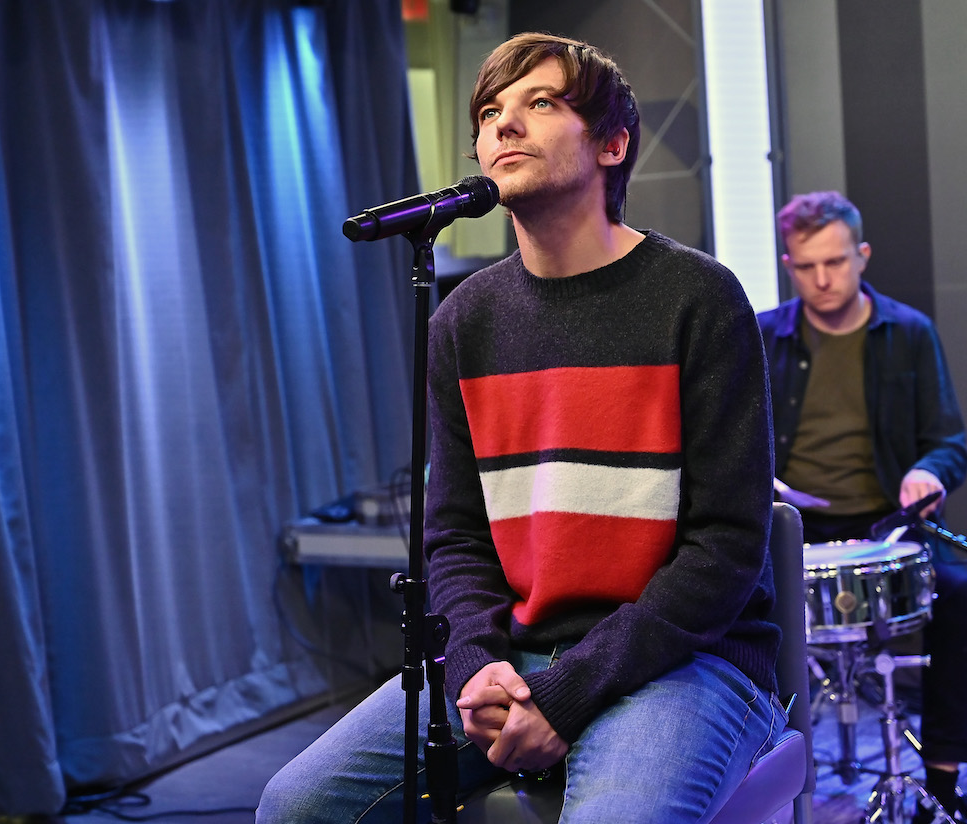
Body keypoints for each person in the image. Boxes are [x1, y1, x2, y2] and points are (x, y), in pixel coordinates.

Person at [257, 32, 785, 824]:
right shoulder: (463, 320)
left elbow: (726, 547)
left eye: (539, 103)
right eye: (488, 112)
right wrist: (476, 664)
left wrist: (566, 693)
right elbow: (456, 535)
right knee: (292, 807)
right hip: (516, 651)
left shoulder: (697, 298)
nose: (503, 123)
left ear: (612, 144)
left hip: (685, 662)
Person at [758, 190, 967, 823]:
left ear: (862, 255)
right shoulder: (764, 335)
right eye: (806, 267)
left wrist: (927, 472)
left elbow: (950, 442)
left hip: (888, 524)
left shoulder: (908, 333)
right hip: (793, 526)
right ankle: (761, 774)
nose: (822, 279)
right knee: (722, 597)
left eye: (835, 262)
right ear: (789, 265)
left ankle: (942, 776)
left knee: (960, 595)